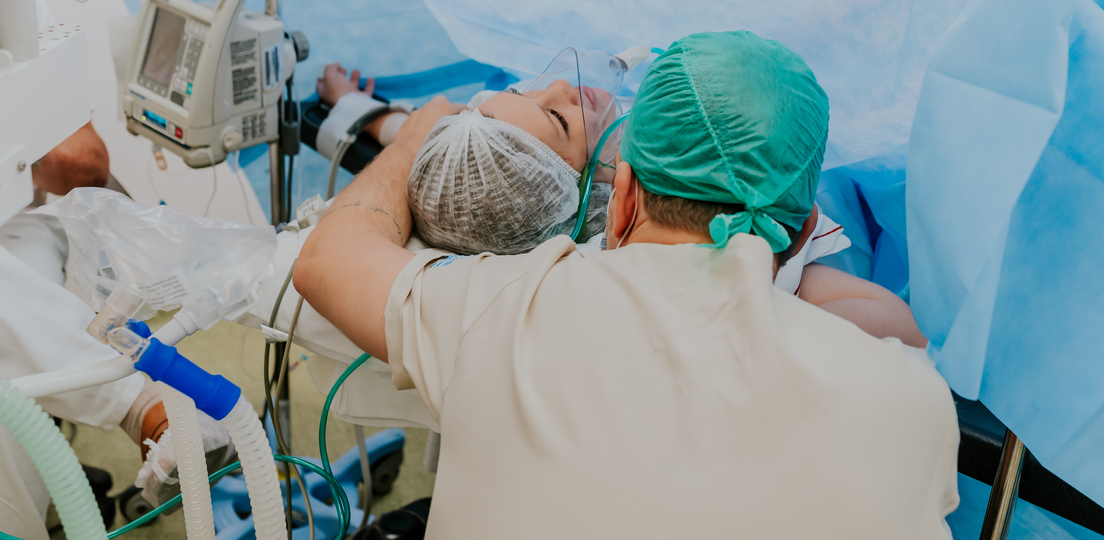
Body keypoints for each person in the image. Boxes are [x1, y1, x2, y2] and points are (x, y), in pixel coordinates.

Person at [295, 31, 958, 538]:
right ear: (807, 224)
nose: (566, 91)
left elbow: (329, 259)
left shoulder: (497, 307)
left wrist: (407, 132)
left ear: (623, 196)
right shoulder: (906, 400)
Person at [0, 124, 231, 539]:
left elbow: (82, 163)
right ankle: (143, 408)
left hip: (13, 222)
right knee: (10, 400)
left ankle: (139, 410)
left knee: (13, 378)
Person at [317, 61, 611, 255]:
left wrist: (349, 102)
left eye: (520, 94)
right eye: (560, 120)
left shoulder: (485, 146)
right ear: (582, 194)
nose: (559, 85)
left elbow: (411, 132)